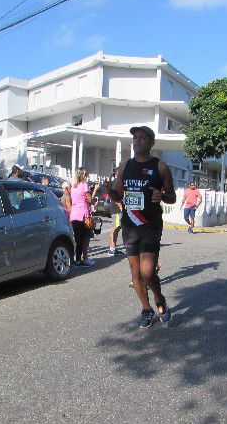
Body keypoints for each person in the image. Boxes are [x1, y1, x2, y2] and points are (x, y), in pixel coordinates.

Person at [108, 125, 176, 328]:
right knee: (135, 273)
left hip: (151, 225)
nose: (137, 140)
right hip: (130, 225)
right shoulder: (124, 166)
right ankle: (146, 310)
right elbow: (118, 195)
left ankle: (159, 298)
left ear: (151, 143)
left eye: (142, 137)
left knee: (148, 272)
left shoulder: (160, 167)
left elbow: (172, 197)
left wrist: (162, 196)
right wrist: (109, 191)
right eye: (135, 137)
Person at [70, 168, 95, 267]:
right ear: (82, 175)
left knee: (76, 238)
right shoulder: (84, 185)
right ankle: (79, 260)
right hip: (83, 214)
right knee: (83, 238)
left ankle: (74, 259)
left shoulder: (73, 186)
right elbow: (90, 200)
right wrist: (94, 191)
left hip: (74, 213)